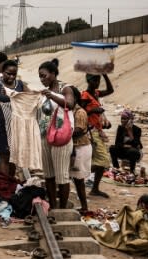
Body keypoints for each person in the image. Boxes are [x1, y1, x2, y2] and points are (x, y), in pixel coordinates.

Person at [37, 58, 75, 210]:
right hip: (45, 136)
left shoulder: (65, 88)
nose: (41, 79)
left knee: (62, 176)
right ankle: (53, 206)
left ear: (53, 74)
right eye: (39, 76)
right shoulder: (43, 93)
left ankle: (63, 209)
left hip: (61, 137)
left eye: (44, 76)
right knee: (49, 175)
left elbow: (70, 104)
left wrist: (52, 96)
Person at [0, 59, 24, 178]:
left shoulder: (20, 85)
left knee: (13, 156)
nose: (12, 76)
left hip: (15, 124)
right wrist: (4, 104)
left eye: (14, 74)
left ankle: (11, 183)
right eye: (9, 73)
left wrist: (15, 97)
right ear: (2, 72)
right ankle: (4, 185)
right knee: (4, 156)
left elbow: (30, 97)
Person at [81, 74, 114, 197]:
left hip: (97, 130)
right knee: (103, 160)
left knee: (100, 161)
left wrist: (105, 75)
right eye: (95, 80)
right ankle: (78, 173)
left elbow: (110, 90)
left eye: (98, 80)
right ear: (88, 81)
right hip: (90, 131)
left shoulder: (96, 93)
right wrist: (93, 111)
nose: (97, 82)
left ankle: (94, 188)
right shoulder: (85, 95)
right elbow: (80, 112)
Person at [69, 87, 90, 213]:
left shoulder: (80, 112)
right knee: (75, 178)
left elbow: (79, 130)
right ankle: (83, 206)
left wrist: (61, 133)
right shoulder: (71, 110)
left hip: (80, 147)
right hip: (75, 147)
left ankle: (84, 207)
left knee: (78, 179)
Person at [109, 109, 143, 174]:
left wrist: (130, 132)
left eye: (125, 119)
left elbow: (138, 146)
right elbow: (117, 144)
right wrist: (127, 146)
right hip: (123, 151)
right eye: (122, 119)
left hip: (135, 154)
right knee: (112, 148)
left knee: (132, 151)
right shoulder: (120, 128)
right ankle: (116, 168)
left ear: (130, 120)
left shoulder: (137, 129)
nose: (122, 121)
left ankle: (132, 171)